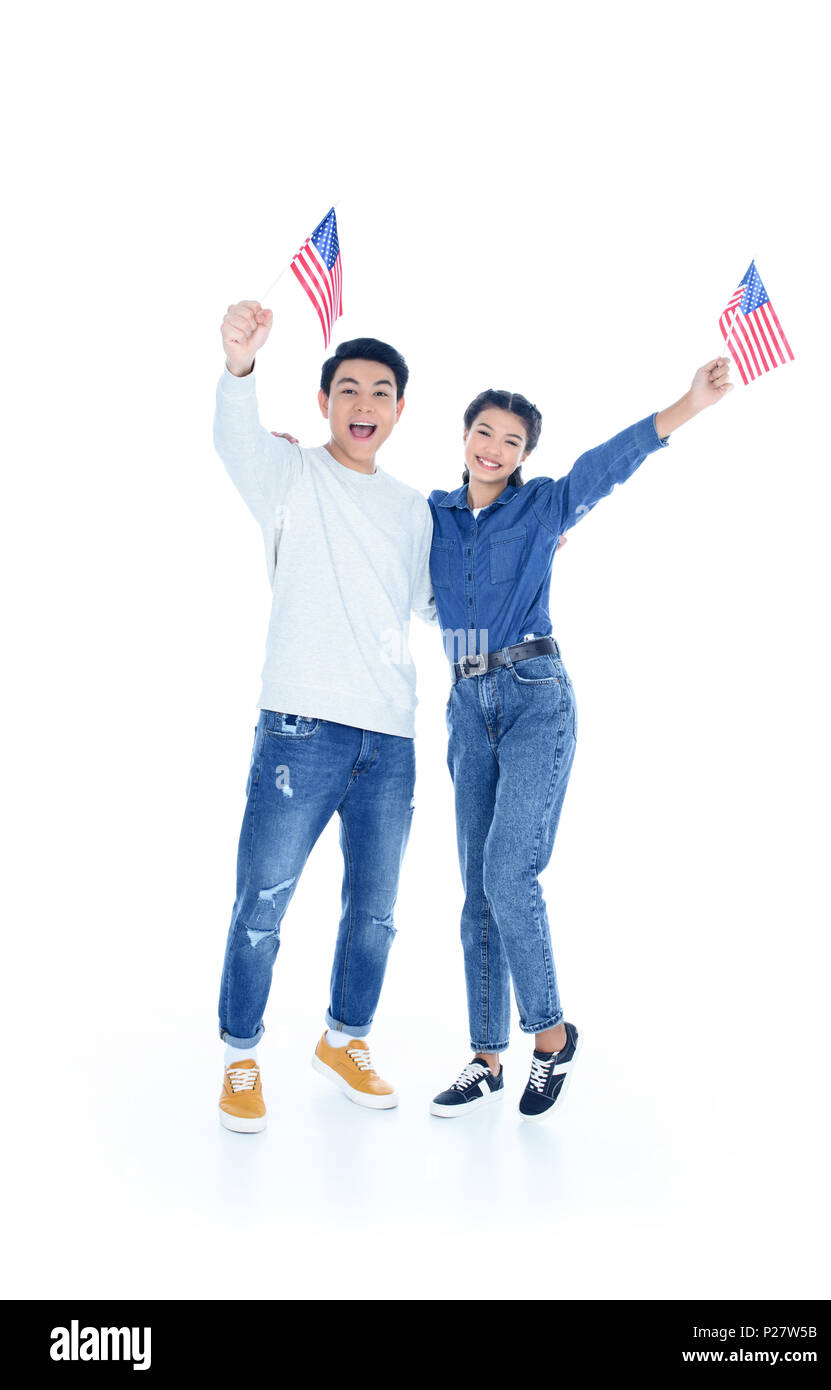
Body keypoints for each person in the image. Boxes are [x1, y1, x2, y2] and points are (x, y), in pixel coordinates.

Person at [426, 358, 733, 1121]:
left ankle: (552, 1036)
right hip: (465, 703)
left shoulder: (542, 508)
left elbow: (611, 463)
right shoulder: (429, 514)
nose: (493, 447)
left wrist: (687, 403)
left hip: (534, 696)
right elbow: (368, 534)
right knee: (476, 893)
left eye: (510, 439)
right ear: (463, 437)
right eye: (483, 432)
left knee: (507, 872)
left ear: (525, 452)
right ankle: (486, 1059)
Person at [213, 300, 437, 1132]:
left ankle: (346, 1039)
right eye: (349, 389)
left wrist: (522, 551)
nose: (364, 404)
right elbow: (234, 439)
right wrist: (240, 363)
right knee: (262, 902)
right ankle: (240, 1055)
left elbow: (434, 604)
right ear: (324, 402)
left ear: (399, 409)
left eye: (381, 391)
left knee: (374, 912)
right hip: (299, 729)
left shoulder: (413, 508)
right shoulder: (290, 473)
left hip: (391, 738)